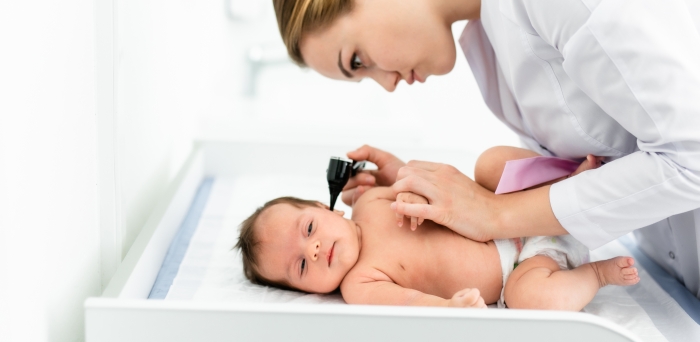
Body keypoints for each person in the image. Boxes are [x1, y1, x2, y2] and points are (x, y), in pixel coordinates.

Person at [272, 0, 700, 296]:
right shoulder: (488, 31)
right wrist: (406, 195)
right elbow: (580, 168)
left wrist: (494, 212)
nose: (385, 85)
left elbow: (692, 155)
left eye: (358, 59)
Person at [235, 147, 640, 309]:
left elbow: (411, 176)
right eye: (302, 267)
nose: (316, 249)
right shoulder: (360, 284)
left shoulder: (371, 201)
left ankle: (569, 179)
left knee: (489, 164)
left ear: (328, 208)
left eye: (309, 229)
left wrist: (391, 169)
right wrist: (449, 308)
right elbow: (409, 303)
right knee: (531, 300)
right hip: (523, 267)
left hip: (518, 208)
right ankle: (596, 274)